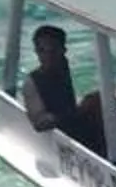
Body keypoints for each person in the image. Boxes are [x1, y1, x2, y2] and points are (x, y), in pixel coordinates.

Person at [19, 24, 109, 153]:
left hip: (74, 126)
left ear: (63, 50)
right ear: (36, 51)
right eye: (42, 50)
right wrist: (79, 110)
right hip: (59, 136)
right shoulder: (32, 82)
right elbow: (39, 123)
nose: (48, 56)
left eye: (53, 50)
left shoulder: (62, 65)